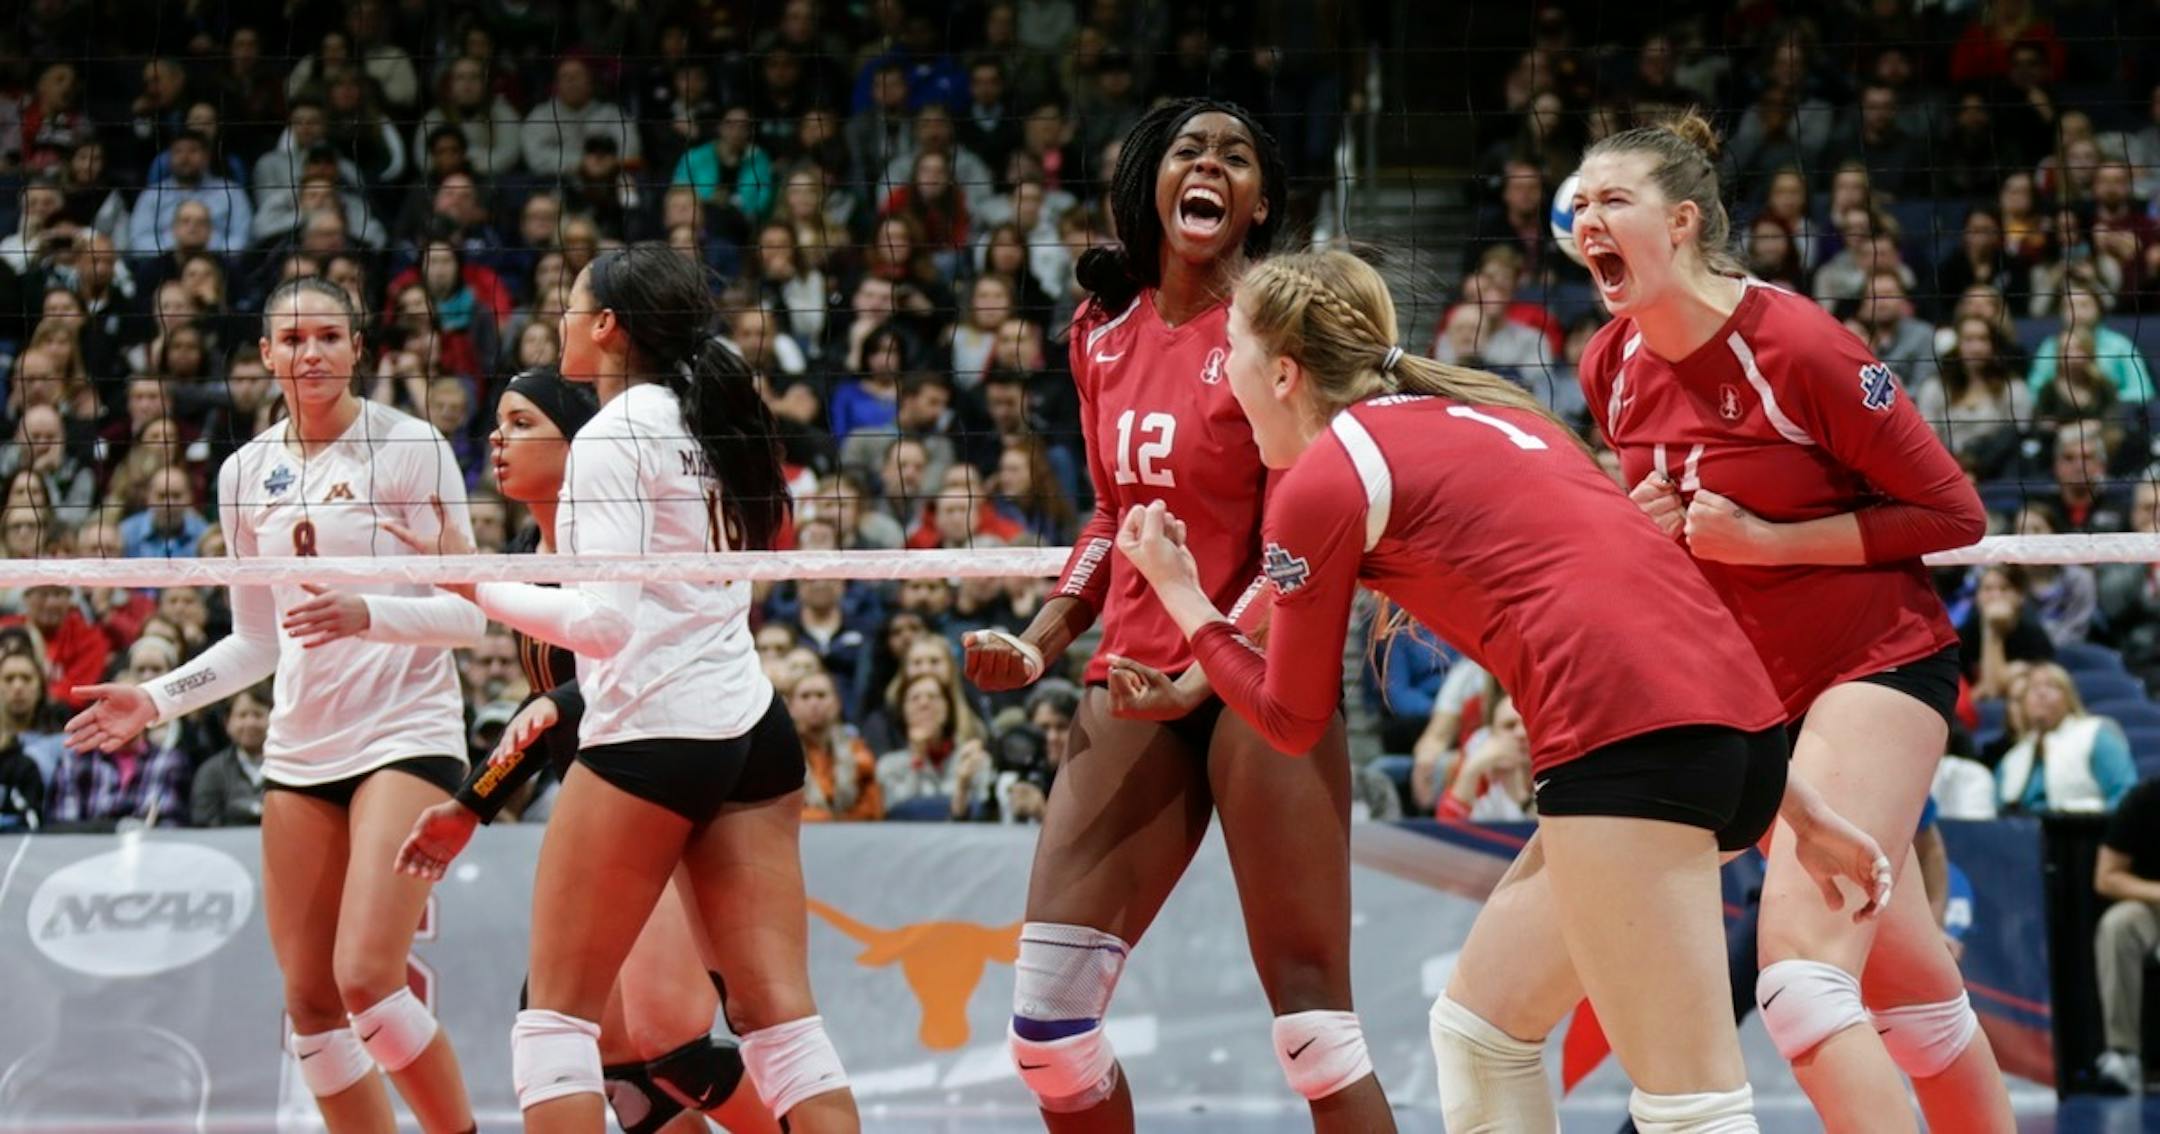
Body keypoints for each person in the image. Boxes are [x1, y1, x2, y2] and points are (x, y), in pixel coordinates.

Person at [1117, 248, 1892, 1133]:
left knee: (1694, 1110)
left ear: (1285, 372)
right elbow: (1658, 621)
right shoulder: (1480, 416)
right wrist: (1803, 807)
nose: (1220, 381)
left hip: (1632, 753)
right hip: (1737, 745)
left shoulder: (1329, 474)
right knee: (1481, 1033)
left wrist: (1179, 594)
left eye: (1232, 353)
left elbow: (1291, 721)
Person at [960, 99, 1399, 1132]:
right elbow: (1113, 510)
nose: (1210, 165)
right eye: (1191, 150)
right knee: (1048, 1035)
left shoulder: (1278, 331)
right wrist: (1040, 641)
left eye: (1237, 156)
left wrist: (1211, 654)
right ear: (1152, 185)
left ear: (1257, 207)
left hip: (1263, 680)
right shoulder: (1100, 334)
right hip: (1136, 678)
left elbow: (1300, 530)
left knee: (1313, 1030)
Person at [1572, 112, 2013, 1133]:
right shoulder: (1612, 364)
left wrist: (1771, 544)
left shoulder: (1800, 345)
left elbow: (1955, 514)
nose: (1587, 219)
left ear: (1681, 221)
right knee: (1919, 1011)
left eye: (1613, 200)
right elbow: (1667, 543)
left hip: (1877, 663)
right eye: (1579, 205)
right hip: (1756, 699)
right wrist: (1640, 531)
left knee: (1802, 988)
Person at [398, 246, 858, 1133]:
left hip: (655, 730)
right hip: (750, 726)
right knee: (780, 1029)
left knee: (555, 1025)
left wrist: (467, 583)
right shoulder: (709, 414)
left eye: (571, 308)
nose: (560, 322)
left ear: (606, 325)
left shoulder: (612, 436)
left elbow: (603, 627)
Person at [64, 277, 482, 1134]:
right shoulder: (245, 472)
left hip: (406, 732)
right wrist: (155, 697)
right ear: (265, 357)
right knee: (312, 1008)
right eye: (293, 340)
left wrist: (373, 610)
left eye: (330, 335)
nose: (313, 353)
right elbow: (256, 642)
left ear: (359, 348)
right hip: (300, 749)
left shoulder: (412, 445)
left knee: (367, 976)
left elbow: (472, 613)